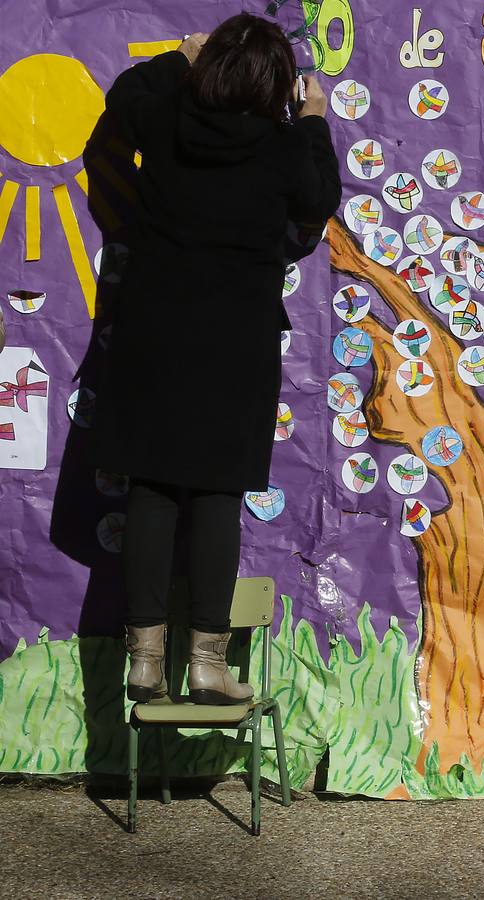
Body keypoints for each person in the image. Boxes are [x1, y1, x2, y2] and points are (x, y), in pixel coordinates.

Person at [96, 15, 340, 704]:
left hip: (152, 335)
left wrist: (181, 59)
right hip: (234, 346)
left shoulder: (167, 119)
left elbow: (122, 95)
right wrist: (314, 116)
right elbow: (321, 198)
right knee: (214, 496)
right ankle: (205, 664)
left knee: (151, 487)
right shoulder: (284, 147)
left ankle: (145, 661)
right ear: (275, 85)